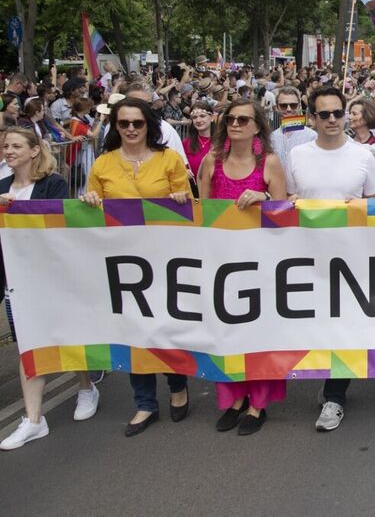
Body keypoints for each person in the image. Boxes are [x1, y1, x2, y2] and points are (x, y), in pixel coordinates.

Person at [80, 98, 192, 436]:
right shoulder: (102, 164)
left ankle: (177, 387)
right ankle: (144, 403)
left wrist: (179, 199)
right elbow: (90, 209)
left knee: (167, 326)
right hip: (121, 263)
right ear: (115, 126)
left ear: (149, 126)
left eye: (137, 123)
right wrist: (90, 201)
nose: (130, 129)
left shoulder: (169, 159)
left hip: (165, 260)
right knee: (132, 332)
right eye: (124, 123)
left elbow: (187, 205)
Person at [285, 86, 375, 432]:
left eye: (337, 113)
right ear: (312, 118)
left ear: (347, 115)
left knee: (342, 327)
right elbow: (285, 201)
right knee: (313, 325)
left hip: (350, 258)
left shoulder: (363, 157)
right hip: (305, 257)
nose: (331, 120)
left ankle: (334, 396)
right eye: (323, 114)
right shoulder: (297, 156)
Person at [0, 128, 100, 450]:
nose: (9, 150)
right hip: (16, 283)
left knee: (64, 335)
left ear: (33, 151)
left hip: (52, 277)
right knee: (28, 345)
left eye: (16, 145)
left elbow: (61, 224)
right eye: (6, 146)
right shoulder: (0, 187)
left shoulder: (52, 184)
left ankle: (86, 386)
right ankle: (33, 420)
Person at [198, 99, 287, 435]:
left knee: (259, 332)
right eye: (230, 119)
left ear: (256, 126)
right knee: (228, 332)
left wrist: (263, 199)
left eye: (243, 119)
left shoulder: (270, 163)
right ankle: (234, 397)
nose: (235, 124)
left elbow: (283, 211)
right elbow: (202, 212)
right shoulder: (212, 161)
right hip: (222, 261)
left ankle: (257, 404)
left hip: (260, 262)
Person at [123, 82, 188, 168]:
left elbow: (179, 167)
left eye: (147, 104)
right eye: (135, 103)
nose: (142, 108)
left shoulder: (165, 130)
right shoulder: (113, 127)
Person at [270, 86, 317, 173]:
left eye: (293, 105)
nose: (289, 109)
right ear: (277, 107)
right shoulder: (271, 138)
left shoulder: (312, 136)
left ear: (299, 106)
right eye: (283, 106)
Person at [183, 99, 215, 177]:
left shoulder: (222, 141)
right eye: (194, 117)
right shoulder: (186, 143)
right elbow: (180, 164)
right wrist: (184, 171)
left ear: (212, 118)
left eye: (202, 116)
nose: (198, 120)